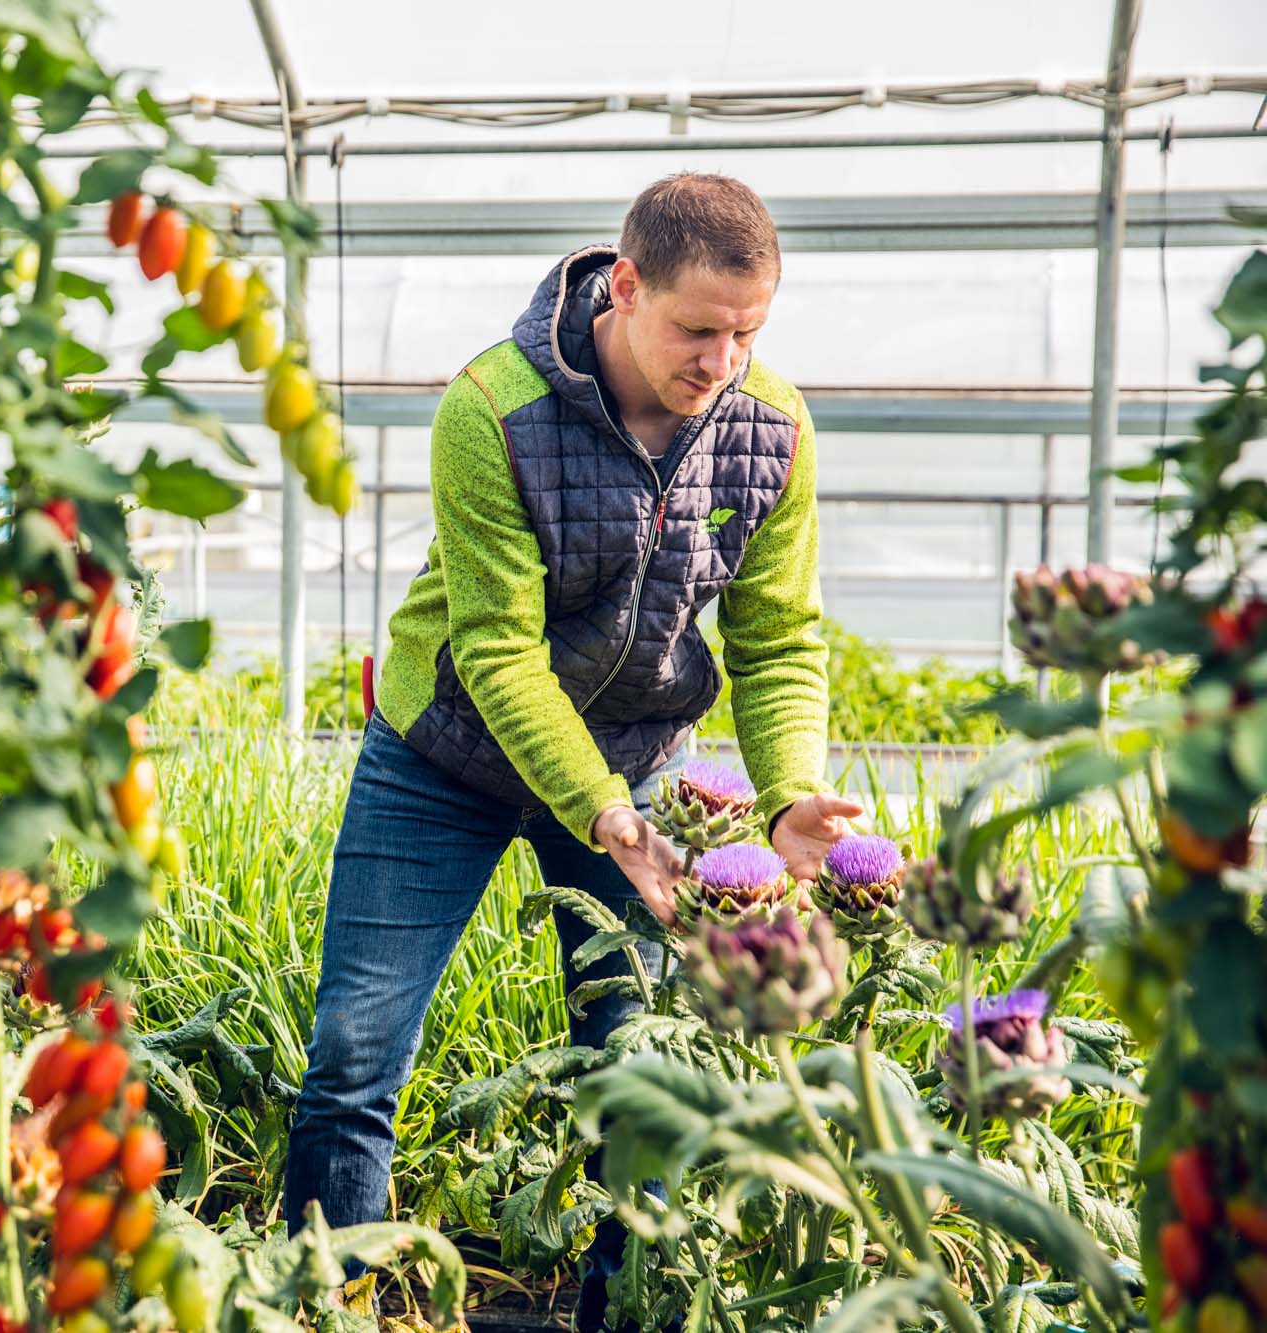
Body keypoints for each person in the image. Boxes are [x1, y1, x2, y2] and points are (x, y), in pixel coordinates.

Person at [281, 172, 865, 1332]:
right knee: (356, 1050)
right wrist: (599, 809)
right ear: (624, 284)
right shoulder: (490, 408)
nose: (721, 361)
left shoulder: (771, 429)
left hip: (635, 768)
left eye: (747, 331)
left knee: (633, 1058)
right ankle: (318, 1303)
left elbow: (776, 635)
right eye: (697, 330)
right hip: (439, 758)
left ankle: (622, 1306)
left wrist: (790, 789)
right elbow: (496, 656)